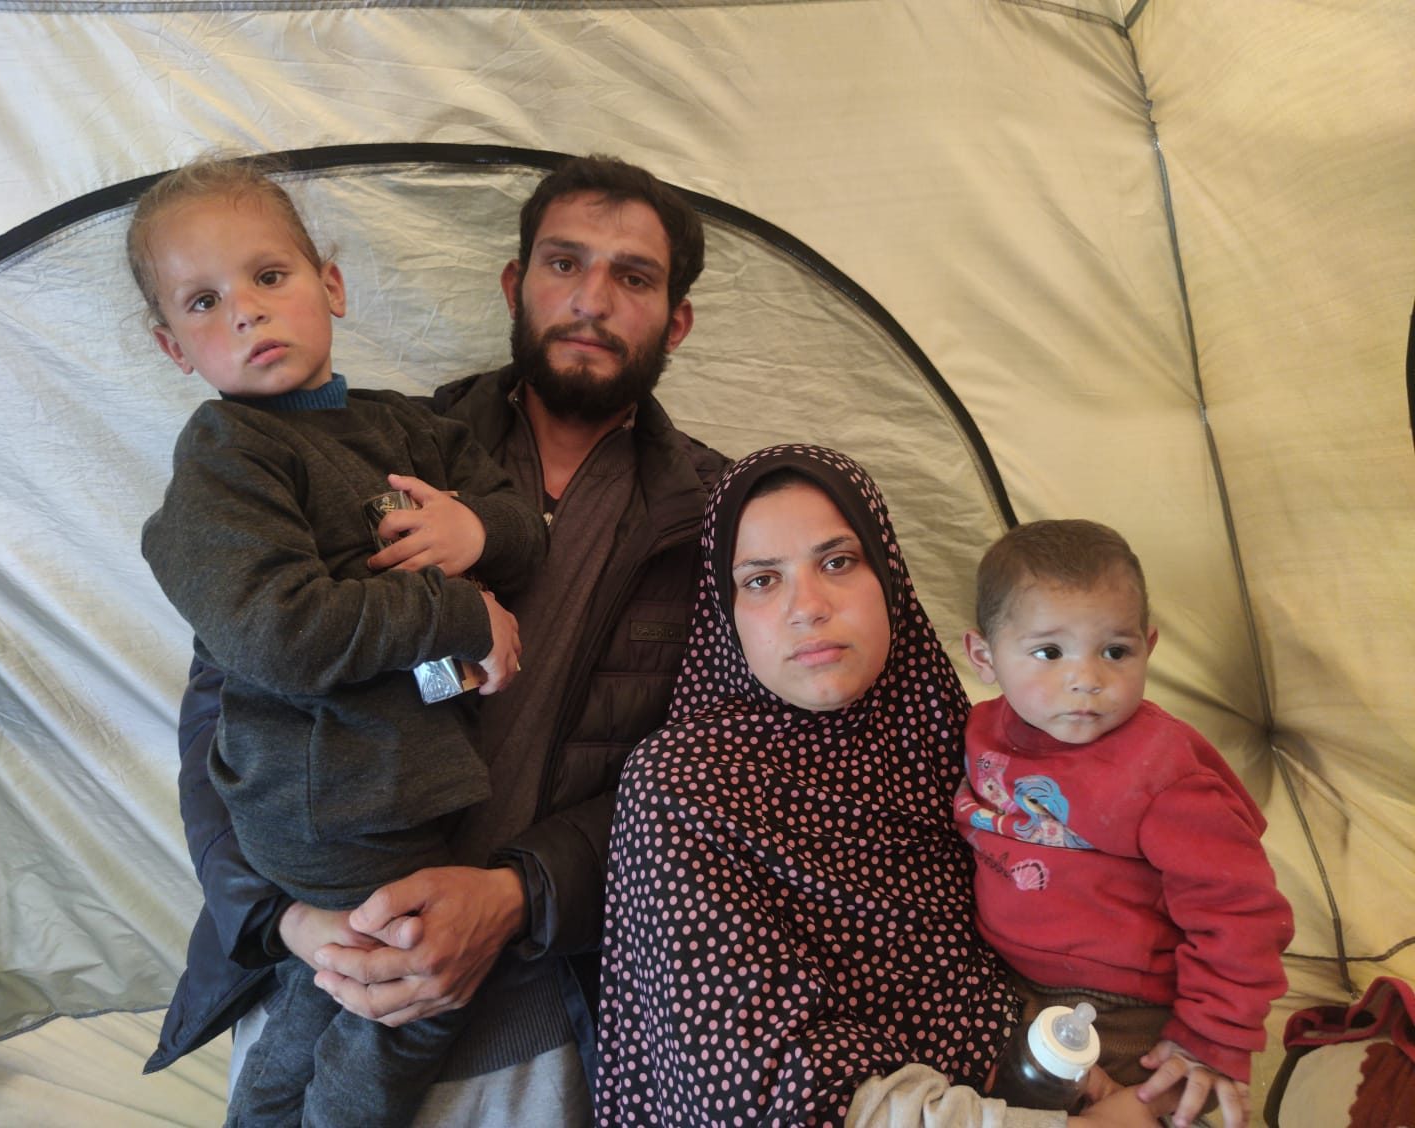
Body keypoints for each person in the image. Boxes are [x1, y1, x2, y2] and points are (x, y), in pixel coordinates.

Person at [143, 154, 728, 1125]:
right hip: (323, 939)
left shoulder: (719, 521)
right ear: (514, 284)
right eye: (563, 262)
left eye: (632, 277)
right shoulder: (378, 448)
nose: (589, 298)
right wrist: (289, 920)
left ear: (675, 322)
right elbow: (227, 708)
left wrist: (518, 895)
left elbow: (706, 779)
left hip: (548, 1014)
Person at [131, 156, 546, 1124]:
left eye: (268, 277)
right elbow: (275, 633)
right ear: (173, 347)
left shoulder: (407, 427)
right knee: (408, 1000)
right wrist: (459, 612)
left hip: (402, 787)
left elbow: (524, 527)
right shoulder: (225, 457)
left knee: (335, 997)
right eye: (203, 301)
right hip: (321, 800)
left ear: (332, 285)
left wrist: (477, 536)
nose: (244, 311)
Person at [595, 445, 1169, 1128]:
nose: (807, 606)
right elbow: (760, 1089)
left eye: (838, 563)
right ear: (725, 616)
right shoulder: (684, 787)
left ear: (889, 576)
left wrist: (1080, 1064)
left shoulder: (952, 739)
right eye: (760, 580)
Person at [956, 519, 1294, 1128]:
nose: (1087, 678)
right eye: (1049, 652)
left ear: (1149, 646)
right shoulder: (981, 732)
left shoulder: (1161, 771)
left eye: (1115, 650)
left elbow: (1241, 910)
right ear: (984, 657)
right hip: (1001, 984)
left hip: (1123, 1005)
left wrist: (1208, 1039)